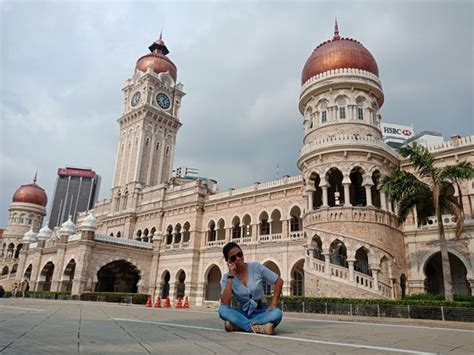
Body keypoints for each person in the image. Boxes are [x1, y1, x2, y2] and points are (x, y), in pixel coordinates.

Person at [218, 242, 283, 335]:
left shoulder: (256, 267)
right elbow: (225, 303)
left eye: (239, 254)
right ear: (228, 261)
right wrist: (231, 276)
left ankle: (239, 325)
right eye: (233, 257)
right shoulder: (227, 278)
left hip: (262, 312)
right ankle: (258, 327)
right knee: (222, 310)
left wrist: (273, 303)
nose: (238, 258)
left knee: (277, 313)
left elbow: (279, 281)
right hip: (243, 313)